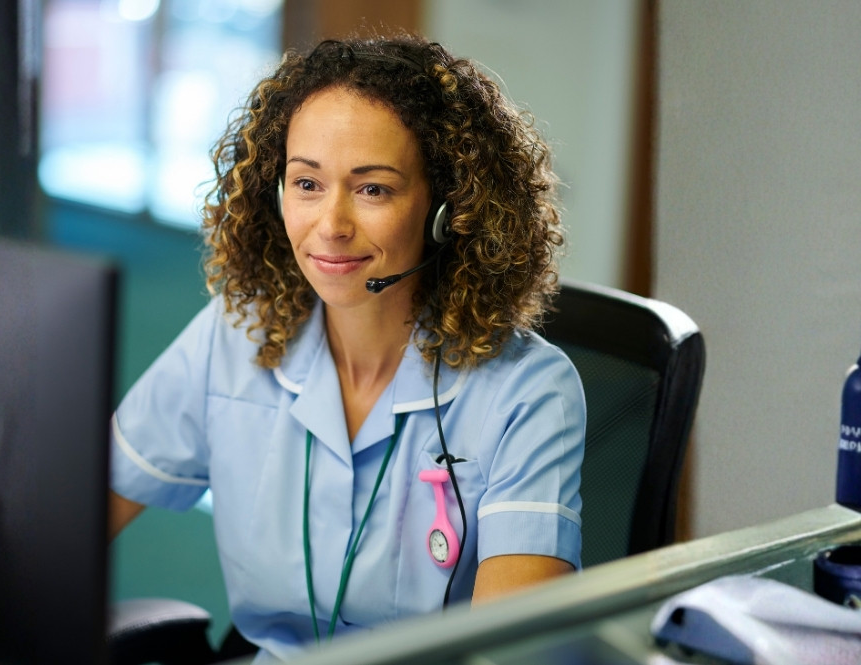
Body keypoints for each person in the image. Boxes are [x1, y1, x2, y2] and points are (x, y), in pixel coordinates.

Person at [108, 34, 586, 662]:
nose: (330, 225)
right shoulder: (236, 336)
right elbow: (68, 523)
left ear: (448, 210)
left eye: (373, 190)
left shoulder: (528, 392)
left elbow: (514, 655)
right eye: (307, 183)